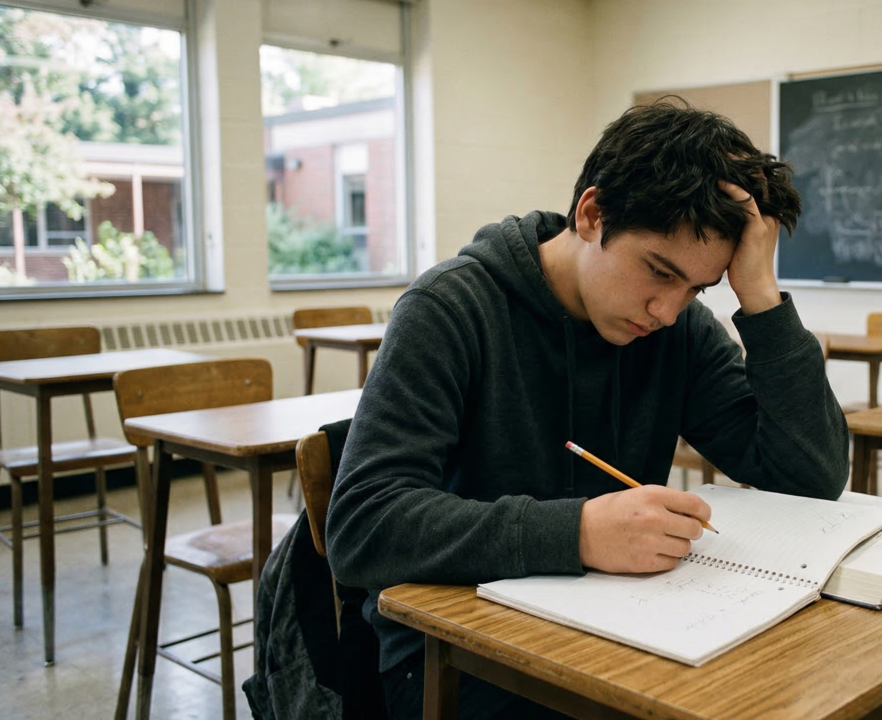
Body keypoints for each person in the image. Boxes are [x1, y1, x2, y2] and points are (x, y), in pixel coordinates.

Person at [326, 99, 850, 720]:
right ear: (592, 214)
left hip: (621, 630)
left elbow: (811, 477)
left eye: (696, 289)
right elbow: (363, 525)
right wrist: (578, 533)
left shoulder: (675, 330)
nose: (666, 310)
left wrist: (760, 299)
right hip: (455, 652)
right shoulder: (451, 308)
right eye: (659, 271)